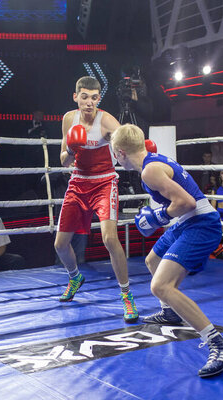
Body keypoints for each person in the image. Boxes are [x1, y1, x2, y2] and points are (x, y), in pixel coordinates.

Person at [111, 124, 223, 377]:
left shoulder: (149, 171)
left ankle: (218, 344)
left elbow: (187, 202)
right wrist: (164, 216)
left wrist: (158, 216)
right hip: (186, 222)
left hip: (200, 224)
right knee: (152, 260)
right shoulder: (152, 162)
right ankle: (170, 313)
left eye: (115, 154)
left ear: (120, 152)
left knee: (161, 286)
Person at [55, 76, 139, 323]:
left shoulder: (108, 121)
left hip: (104, 182)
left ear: (98, 98)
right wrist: (71, 149)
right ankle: (75, 277)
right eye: (84, 97)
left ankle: (126, 295)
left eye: (94, 97)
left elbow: (128, 141)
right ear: (76, 97)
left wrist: (140, 154)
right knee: (60, 244)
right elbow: (63, 160)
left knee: (109, 238)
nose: (89, 102)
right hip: (78, 181)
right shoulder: (69, 119)